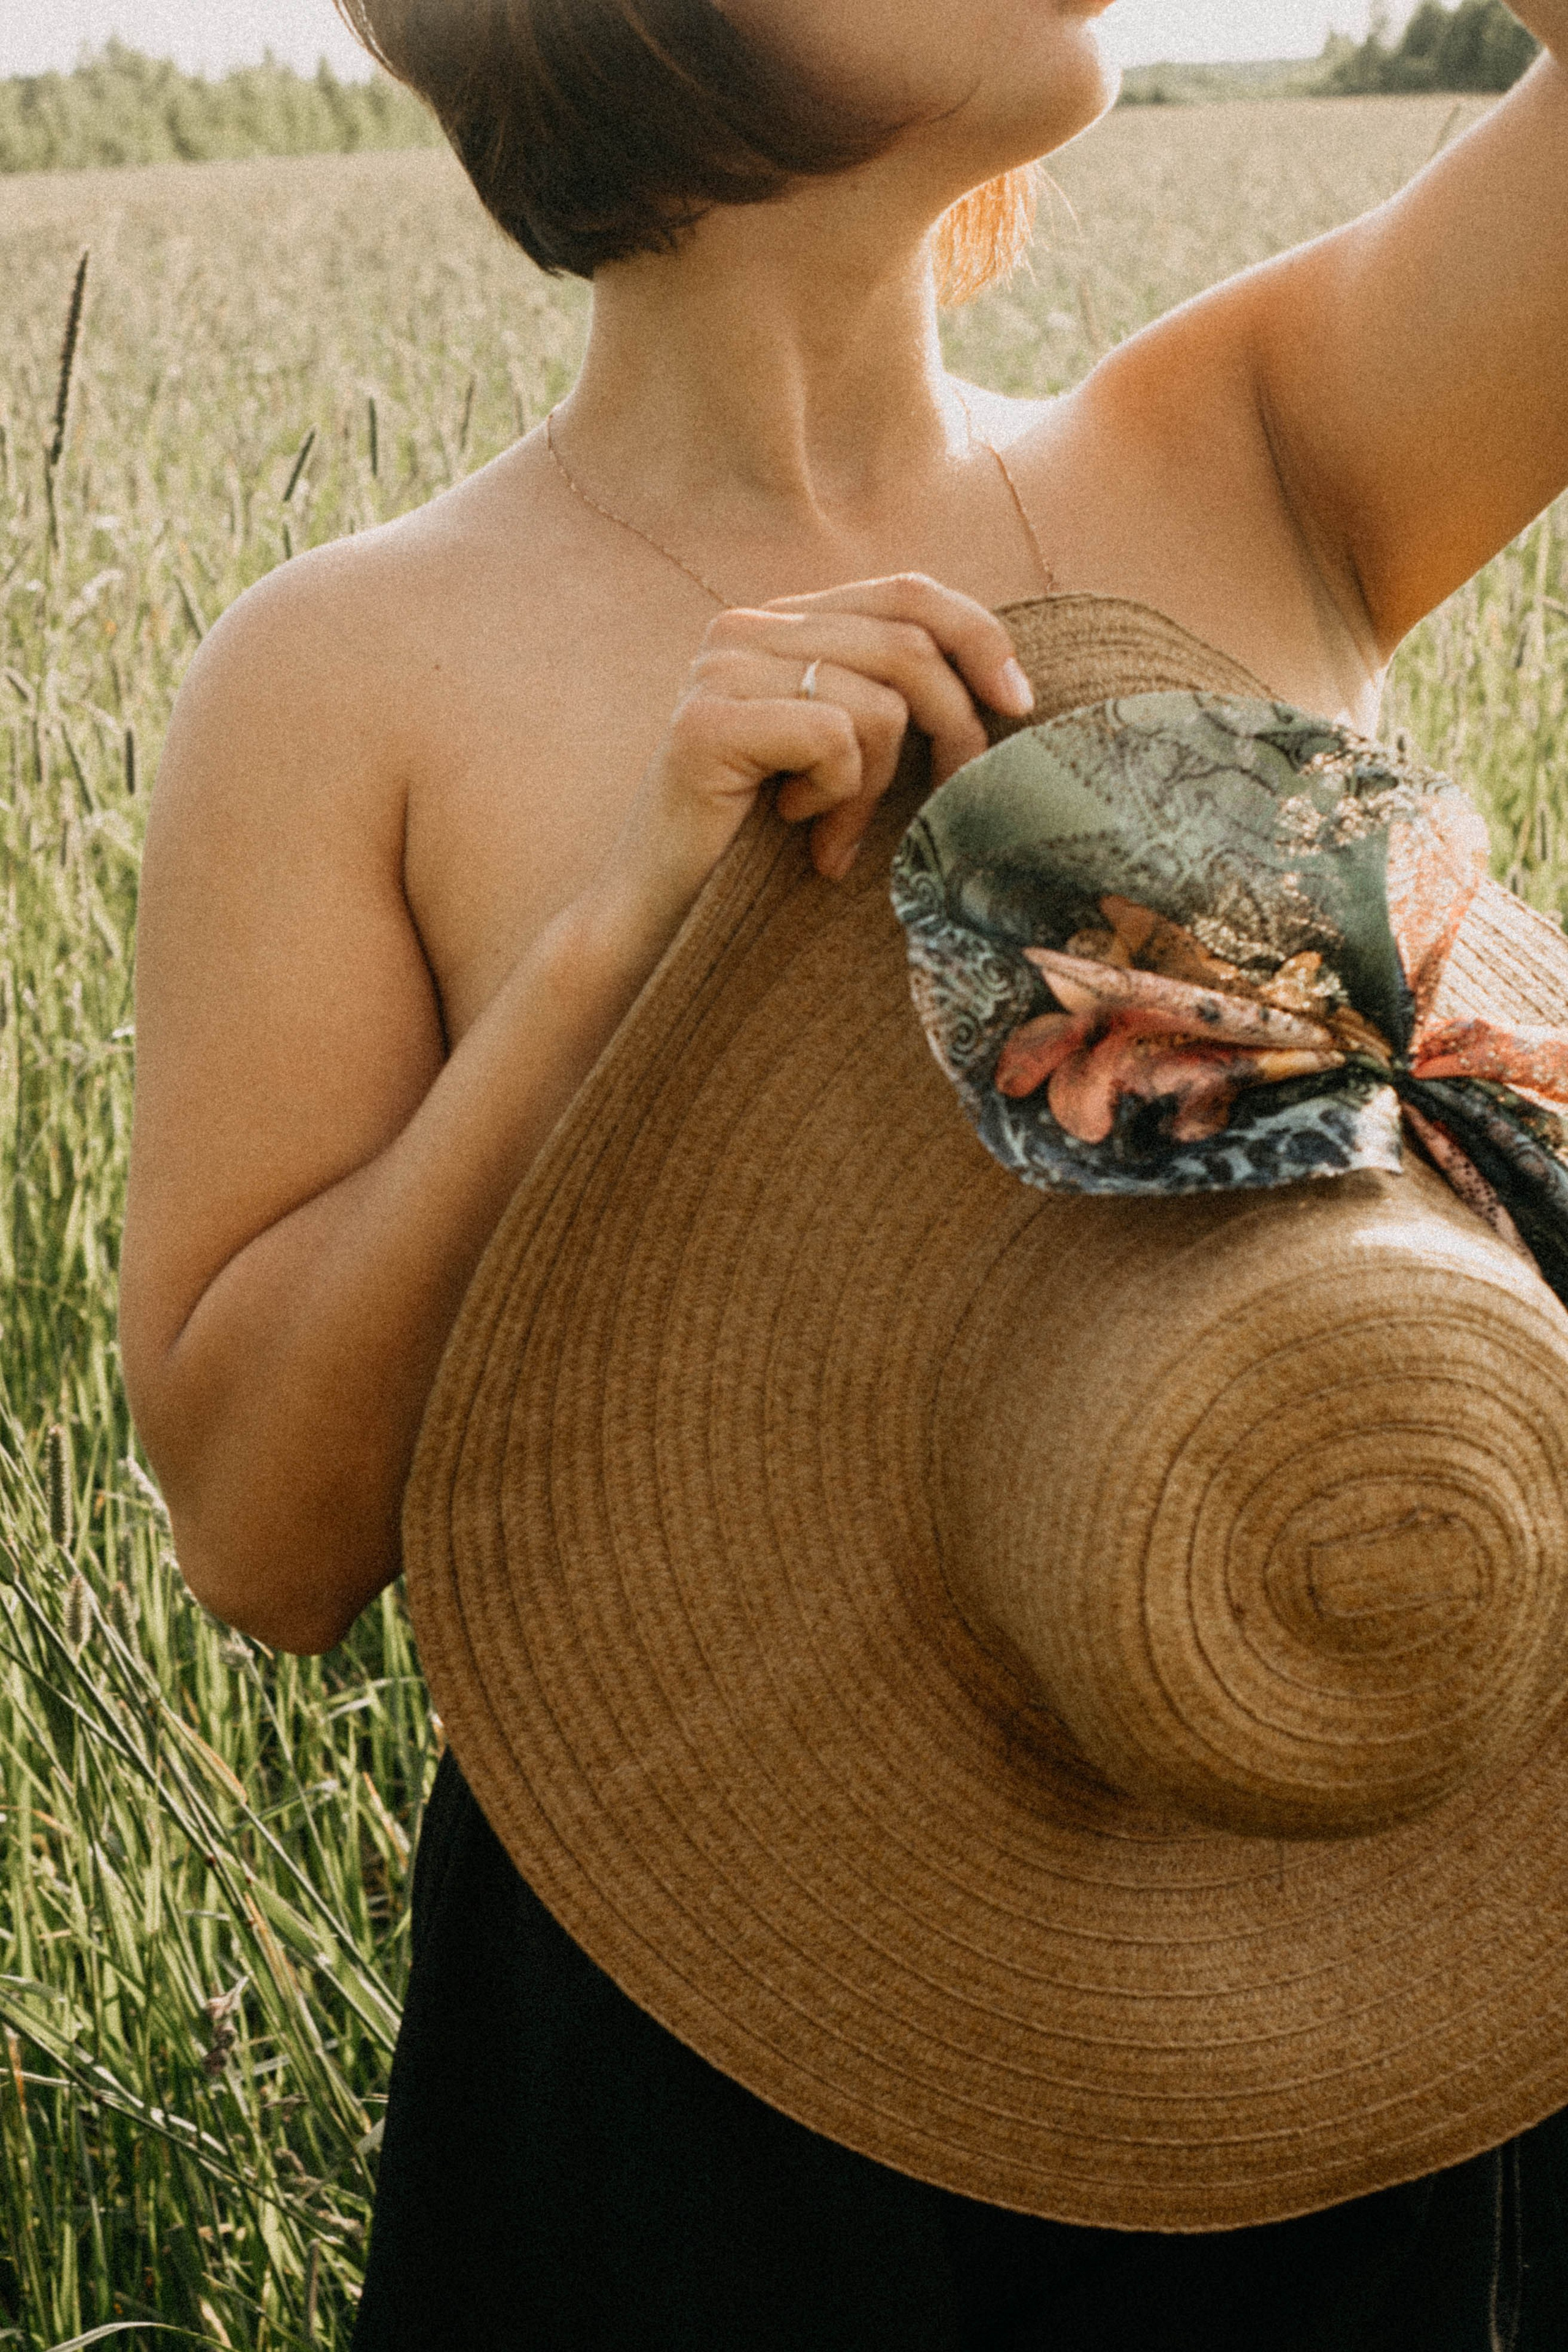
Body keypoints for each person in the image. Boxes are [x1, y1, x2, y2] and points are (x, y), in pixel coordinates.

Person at [116, 2, 1568, 2344]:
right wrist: (619, 941)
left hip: (1356, 1927)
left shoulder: (1272, 435)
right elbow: (270, 1541)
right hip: (714, 2057)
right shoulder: (343, 676)